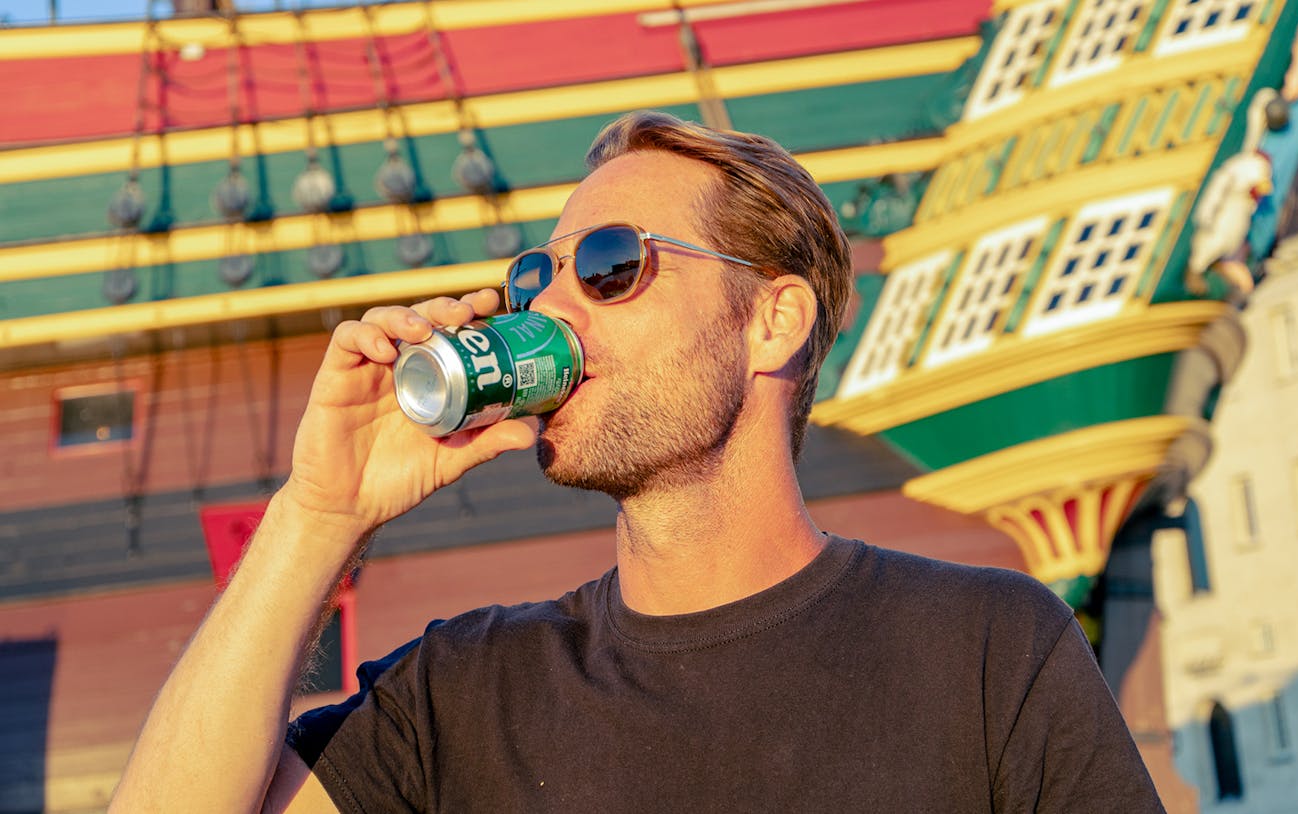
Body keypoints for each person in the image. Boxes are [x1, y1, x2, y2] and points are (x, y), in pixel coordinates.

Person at [110, 110, 1164, 813]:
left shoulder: (986, 648)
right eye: (539, 274)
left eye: (612, 266)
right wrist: (317, 513)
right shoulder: (469, 694)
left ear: (772, 322)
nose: (551, 308)